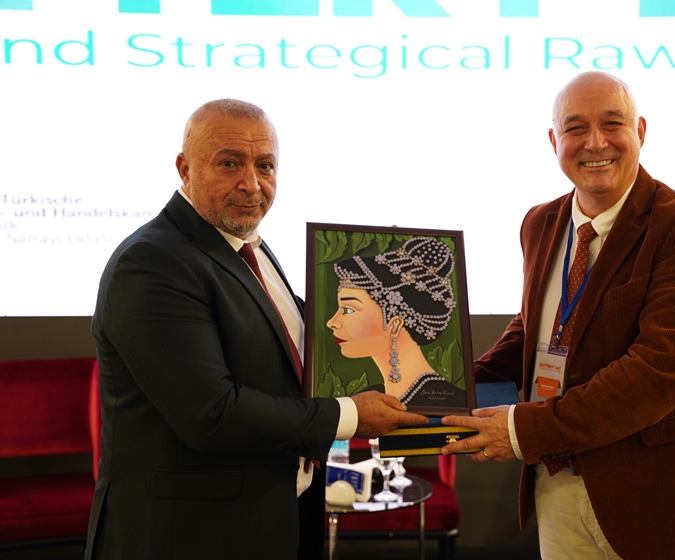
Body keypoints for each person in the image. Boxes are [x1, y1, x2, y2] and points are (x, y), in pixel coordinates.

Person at [85, 99, 427, 560]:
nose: (252, 184)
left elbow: (297, 343)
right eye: (229, 163)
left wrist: (380, 276)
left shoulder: (246, 245)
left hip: (275, 517)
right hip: (188, 536)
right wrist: (349, 416)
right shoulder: (151, 262)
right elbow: (213, 414)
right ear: (184, 169)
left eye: (265, 166)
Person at [440, 72, 675, 560]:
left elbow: (658, 373)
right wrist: (444, 390)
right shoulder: (540, 222)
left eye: (612, 123)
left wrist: (522, 431)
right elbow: (536, 327)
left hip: (658, 498)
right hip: (558, 487)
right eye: (576, 128)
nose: (595, 142)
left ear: (640, 131)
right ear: (554, 140)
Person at [326, 236, 467, 408]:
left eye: (348, 310)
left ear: (394, 325)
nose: (331, 322)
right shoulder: (370, 396)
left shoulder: (449, 402)